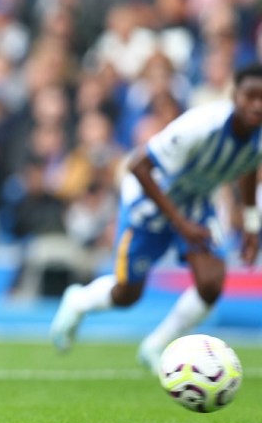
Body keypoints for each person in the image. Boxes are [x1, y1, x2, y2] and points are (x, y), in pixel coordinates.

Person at [50, 63, 262, 373]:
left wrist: (251, 223)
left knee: (211, 284)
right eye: (250, 96)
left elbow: (248, 166)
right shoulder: (202, 125)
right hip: (148, 202)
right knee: (127, 294)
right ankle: (79, 300)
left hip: (196, 202)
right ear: (234, 96)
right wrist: (181, 224)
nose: (257, 105)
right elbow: (139, 166)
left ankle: (157, 344)